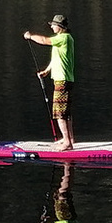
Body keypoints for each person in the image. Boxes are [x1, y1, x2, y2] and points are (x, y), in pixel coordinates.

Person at [23, 14, 76, 150]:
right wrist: (47, 70)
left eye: (53, 25)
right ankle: (69, 139)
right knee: (66, 112)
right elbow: (57, 58)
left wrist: (30, 36)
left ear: (60, 27)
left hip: (62, 80)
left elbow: (44, 40)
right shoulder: (66, 39)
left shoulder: (63, 38)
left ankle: (67, 143)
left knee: (59, 112)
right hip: (66, 79)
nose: (51, 26)